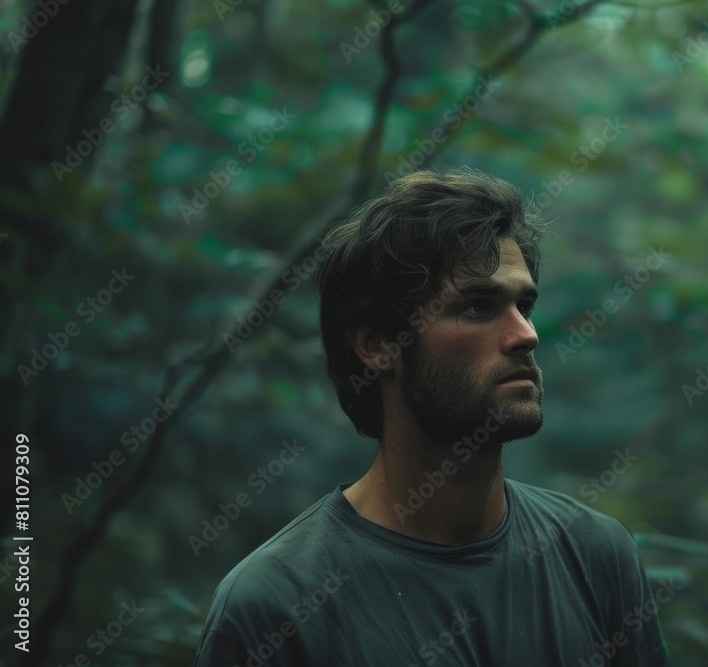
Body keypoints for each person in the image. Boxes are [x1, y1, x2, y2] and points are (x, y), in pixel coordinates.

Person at [193, 168, 671, 666]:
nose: (526, 334)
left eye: (524, 304)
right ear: (378, 344)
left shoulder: (596, 554)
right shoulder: (275, 605)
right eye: (478, 307)